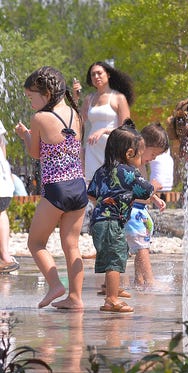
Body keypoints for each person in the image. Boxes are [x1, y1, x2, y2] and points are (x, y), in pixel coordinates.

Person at [15, 66, 88, 309]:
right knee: (72, 244)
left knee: (35, 243)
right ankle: (76, 298)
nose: (30, 102)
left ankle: (56, 285)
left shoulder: (39, 119)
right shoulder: (74, 113)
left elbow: (35, 152)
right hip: (79, 187)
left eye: (31, 96)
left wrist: (25, 134)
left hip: (57, 188)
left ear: (46, 92)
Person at [87, 121, 166, 313]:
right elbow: (146, 191)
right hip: (113, 222)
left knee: (115, 254)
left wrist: (104, 204)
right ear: (130, 154)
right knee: (114, 259)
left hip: (98, 221)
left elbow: (91, 194)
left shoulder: (102, 170)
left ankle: (113, 288)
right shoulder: (129, 172)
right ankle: (111, 300)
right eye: (140, 154)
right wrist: (155, 185)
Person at [125, 123, 171, 289]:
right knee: (142, 246)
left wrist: (154, 198)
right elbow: (135, 192)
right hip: (132, 211)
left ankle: (139, 279)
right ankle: (149, 280)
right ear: (142, 145)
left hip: (139, 211)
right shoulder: (131, 165)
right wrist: (152, 187)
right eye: (153, 154)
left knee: (141, 245)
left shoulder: (141, 165)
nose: (154, 158)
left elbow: (143, 189)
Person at [75, 61, 133, 183]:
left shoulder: (118, 98)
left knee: (113, 185)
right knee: (93, 186)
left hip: (113, 149)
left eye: (99, 73)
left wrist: (104, 130)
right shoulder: (89, 99)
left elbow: (127, 129)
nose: (96, 77)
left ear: (108, 74)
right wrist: (75, 98)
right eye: (93, 75)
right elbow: (77, 123)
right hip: (93, 149)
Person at [0, 123, 17, 274]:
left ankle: (4, 256)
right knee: (1, 211)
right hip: (3, 178)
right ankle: (4, 255)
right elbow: (2, 145)